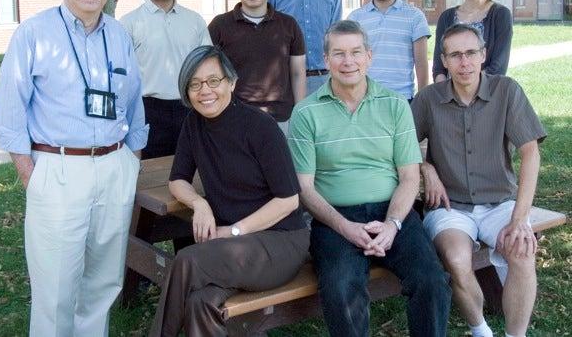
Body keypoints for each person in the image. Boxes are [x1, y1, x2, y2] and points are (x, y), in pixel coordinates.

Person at [0, 0, 148, 337]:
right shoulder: (34, 33)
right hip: (57, 170)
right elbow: (10, 111)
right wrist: (31, 175)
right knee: (56, 287)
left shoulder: (119, 34)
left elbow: (134, 104)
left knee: (103, 281)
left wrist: (130, 163)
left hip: (114, 167)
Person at [288, 20, 451, 337]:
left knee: (431, 280)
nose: (348, 61)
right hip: (334, 218)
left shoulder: (394, 106)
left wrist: (392, 225)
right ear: (325, 60)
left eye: (355, 52)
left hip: (394, 213)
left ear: (369, 56)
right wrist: (345, 227)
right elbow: (304, 189)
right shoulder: (306, 113)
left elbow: (408, 177)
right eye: (338, 53)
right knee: (339, 287)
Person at [150, 46, 309, 337]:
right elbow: (177, 180)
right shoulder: (193, 124)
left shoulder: (261, 126)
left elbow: (288, 200)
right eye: (195, 84)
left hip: (280, 243)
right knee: (201, 302)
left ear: (232, 83)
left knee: (188, 259)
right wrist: (199, 204)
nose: (205, 91)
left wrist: (235, 231)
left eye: (213, 81)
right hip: (233, 249)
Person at [411, 24, 546, 337]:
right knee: (458, 260)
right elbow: (400, 146)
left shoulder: (506, 90)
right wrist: (426, 168)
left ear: (483, 55)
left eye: (471, 52)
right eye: (455, 55)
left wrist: (520, 219)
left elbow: (531, 153)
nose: (464, 62)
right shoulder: (429, 99)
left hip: (500, 201)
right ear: (444, 60)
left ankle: (516, 335)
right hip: (449, 207)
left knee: (522, 252)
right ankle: (481, 330)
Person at [120, 0, 211, 159]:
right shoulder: (128, 23)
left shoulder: (195, 21)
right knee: (149, 178)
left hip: (190, 107)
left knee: (193, 172)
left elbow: (207, 66)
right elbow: (121, 78)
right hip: (147, 111)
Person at [208, 0, 306, 134]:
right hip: (235, 117)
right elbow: (209, 72)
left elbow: (298, 72)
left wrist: (300, 113)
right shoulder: (220, 25)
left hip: (281, 118)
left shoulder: (288, 24)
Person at [348, 0, 430, 101]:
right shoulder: (355, 19)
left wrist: (423, 103)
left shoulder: (415, 16)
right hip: (365, 101)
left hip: (403, 101)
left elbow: (422, 64)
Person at [432, 0, 513, 82]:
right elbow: (439, 67)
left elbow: (498, 67)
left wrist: (467, 88)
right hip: (449, 96)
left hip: (487, 93)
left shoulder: (500, 15)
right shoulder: (446, 17)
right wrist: (445, 93)